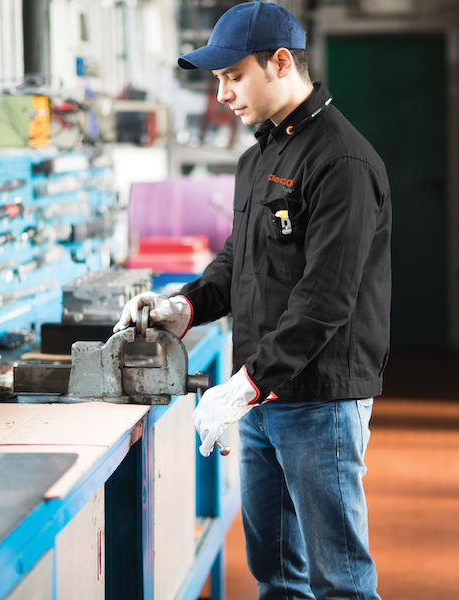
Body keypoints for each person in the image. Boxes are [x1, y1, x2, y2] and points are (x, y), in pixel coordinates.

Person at [115, 1, 390, 597]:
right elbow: (241, 259)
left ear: (282, 63)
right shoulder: (257, 157)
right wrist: (183, 307)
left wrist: (246, 383)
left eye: (233, 76)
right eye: (217, 80)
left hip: (320, 402)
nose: (222, 95)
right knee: (275, 573)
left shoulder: (341, 161)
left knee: (339, 580)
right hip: (261, 397)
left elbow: (326, 299)